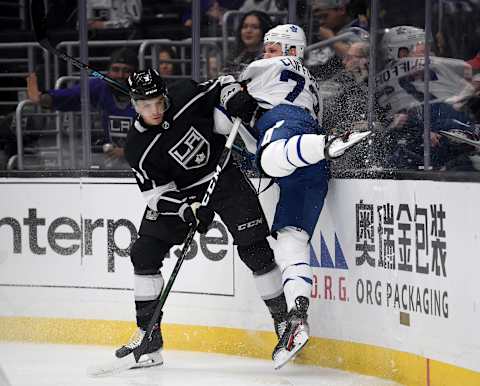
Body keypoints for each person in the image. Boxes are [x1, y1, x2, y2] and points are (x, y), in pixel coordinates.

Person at [115, 68, 289, 369]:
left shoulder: (186, 94)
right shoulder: (136, 148)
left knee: (256, 251)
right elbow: (156, 195)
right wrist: (187, 209)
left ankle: (285, 323)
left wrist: (233, 97)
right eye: (145, 105)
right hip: (183, 195)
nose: (154, 110)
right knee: (144, 252)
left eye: (158, 101)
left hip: (225, 178)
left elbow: (224, 82)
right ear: (134, 104)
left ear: (165, 94)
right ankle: (149, 335)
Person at [220, 24, 370, 368]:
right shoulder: (312, 82)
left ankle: (329, 144)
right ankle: (298, 318)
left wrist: (229, 90)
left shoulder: (266, 67)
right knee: (290, 240)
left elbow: (226, 90)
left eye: (272, 48)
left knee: (270, 160)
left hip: (289, 130)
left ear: (289, 51)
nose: (265, 53)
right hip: (309, 159)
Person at [377, 26, 477, 169]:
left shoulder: (435, 85)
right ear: (402, 55)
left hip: (451, 168)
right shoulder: (393, 93)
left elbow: (460, 123)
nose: (430, 57)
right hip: (411, 169)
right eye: (424, 52)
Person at [26, 48, 138, 169]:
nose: (120, 75)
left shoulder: (149, 95)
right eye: (115, 70)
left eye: (127, 71)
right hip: (118, 163)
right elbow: (69, 95)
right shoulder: (100, 87)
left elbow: (158, 138)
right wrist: (41, 98)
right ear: (108, 72)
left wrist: (128, 151)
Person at [306, 0, 369, 81]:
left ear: (341, 10)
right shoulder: (334, 33)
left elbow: (354, 58)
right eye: (318, 18)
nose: (321, 22)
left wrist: (331, 39)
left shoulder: (357, 30)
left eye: (324, 16)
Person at [224, 11, 273, 76]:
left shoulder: (270, 58)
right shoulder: (234, 56)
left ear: (264, 31)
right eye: (245, 26)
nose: (248, 31)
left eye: (255, 27)